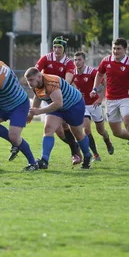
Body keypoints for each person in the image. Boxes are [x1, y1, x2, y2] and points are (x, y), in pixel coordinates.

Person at [90, 37, 129, 167]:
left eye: (118, 48)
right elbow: (99, 75)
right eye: (114, 48)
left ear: (125, 49)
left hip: (126, 98)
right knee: (116, 132)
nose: (115, 51)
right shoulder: (106, 61)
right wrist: (94, 89)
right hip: (110, 100)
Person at [24, 67, 92, 169]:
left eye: (31, 80)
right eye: (28, 80)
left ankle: (87, 155)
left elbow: (58, 103)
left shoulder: (51, 82)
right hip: (57, 107)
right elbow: (37, 97)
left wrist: (39, 111)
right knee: (48, 129)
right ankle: (44, 160)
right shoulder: (36, 84)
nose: (29, 83)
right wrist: (31, 115)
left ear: (39, 77)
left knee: (78, 134)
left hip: (74, 105)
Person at [35, 36, 83, 165]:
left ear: (64, 49)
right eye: (55, 46)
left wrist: (55, 89)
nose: (57, 50)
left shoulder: (69, 63)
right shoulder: (46, 58)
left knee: (63, 126)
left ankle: (76, 152)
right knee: (58, 131)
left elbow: (67, 82)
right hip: (50, 97)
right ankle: (76, 148)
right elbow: (35, 72)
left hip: (65, 97)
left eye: (60, 47)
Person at [72, 51, 114, 161]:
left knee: (101, 131)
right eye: (75, 60)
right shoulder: (72, 73)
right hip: (82, 106)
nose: (77, 62)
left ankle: (107, 140)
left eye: (79, 59)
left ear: (84, 60)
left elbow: (106, 84)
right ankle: (95, 154)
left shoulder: (92, 72)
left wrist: (101, 98)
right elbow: (69, 85)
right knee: (86, 129)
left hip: (95, 105)